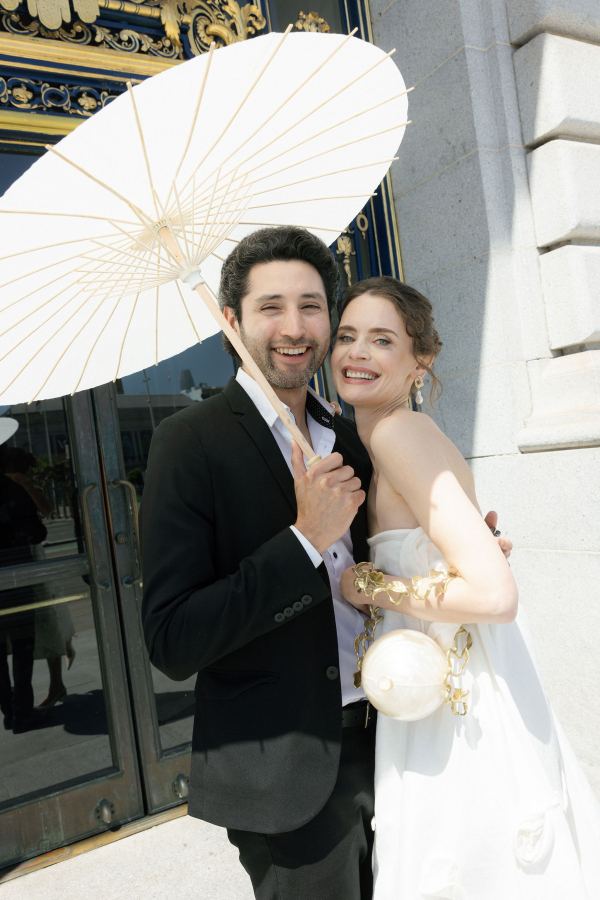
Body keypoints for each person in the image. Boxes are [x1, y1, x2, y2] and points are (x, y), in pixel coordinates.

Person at [140, 228, 510, 900]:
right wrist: (304, 540)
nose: (293, 327)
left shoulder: (348, 435)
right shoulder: (187, 443)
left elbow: (377, 573)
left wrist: (452, 557)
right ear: (232, 321)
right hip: (285, 773)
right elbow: (173, 638)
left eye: (312, 307)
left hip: (397, 736)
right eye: (270, 306)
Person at [331, 276, 600, 899]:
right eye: (346, 337)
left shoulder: (399, 435)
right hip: (438, 682)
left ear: (419, 361)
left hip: (454, 693)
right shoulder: (389, 439)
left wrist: (368, 584)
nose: (356, 353)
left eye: (381, 340)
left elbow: (495, 595)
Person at [2, 446, 75, 710]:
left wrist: (26, 485)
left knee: (45, 620)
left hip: (31, 557)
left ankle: (56, 684)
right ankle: (52, 686)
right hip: (15, 558)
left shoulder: (22, 487)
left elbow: (46, 510)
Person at [0, 445, 49, 733]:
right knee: (21, 644)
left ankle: (9, 711)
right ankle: (22, 712)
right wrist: (24, 484)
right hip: (17, 571)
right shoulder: (17, 490)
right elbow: (39, 528)